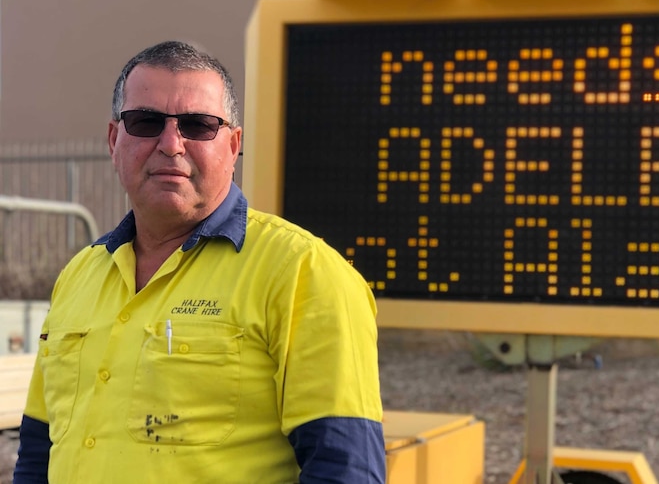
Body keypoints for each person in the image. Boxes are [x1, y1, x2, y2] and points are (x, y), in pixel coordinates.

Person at [13, 40, 386, 484]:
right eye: (146, 122)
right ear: (115, 140)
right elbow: (38, 451)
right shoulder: (79, 276)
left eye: (198, 125)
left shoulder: (303, 272)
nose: (171, 144)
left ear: (233, 145)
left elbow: (345, 470)